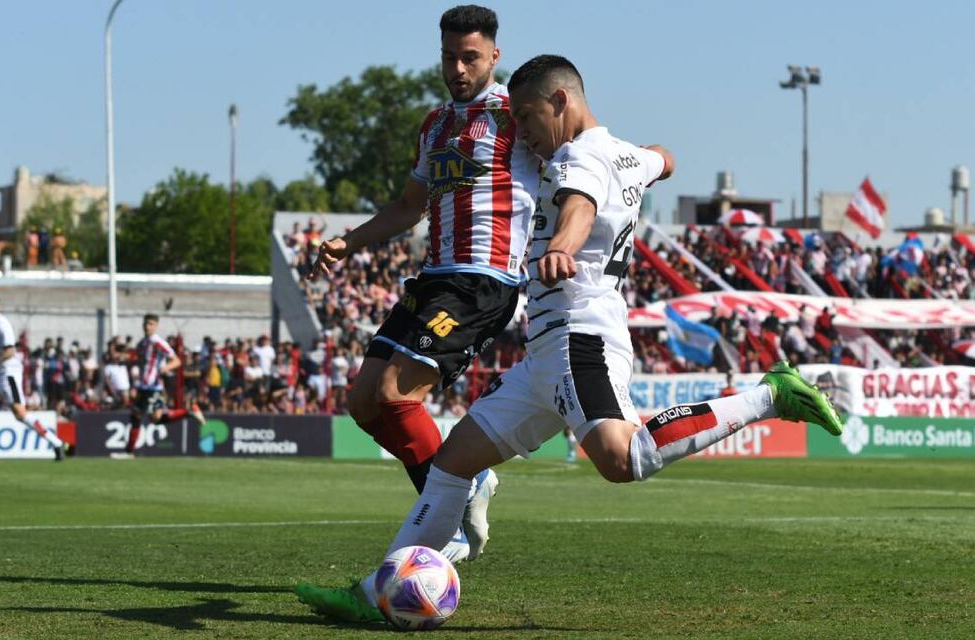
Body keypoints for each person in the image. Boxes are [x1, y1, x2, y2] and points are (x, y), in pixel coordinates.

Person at [295, 54, 845, 623]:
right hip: (545, 351)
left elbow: (579, 206)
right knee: (453, 463)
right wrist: (649, 161)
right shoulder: (622, 153)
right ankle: (378, 595)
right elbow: (666, 159)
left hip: (580, 334)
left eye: (529, 119)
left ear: (561, 103)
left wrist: (562, 243)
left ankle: (771, 396)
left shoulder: (575, 157)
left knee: (622, 456)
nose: (525, 135)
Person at [307, 4, 537, 562]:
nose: (458, 69)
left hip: (483, 282)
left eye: (470, 57)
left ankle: (448, 519)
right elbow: (409, 206)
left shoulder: (516, 114)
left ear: (494, 57)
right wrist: (350, 241)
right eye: (449, 57)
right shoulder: (435, 124)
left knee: (395, 392)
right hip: (432, 278)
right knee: (363, 403)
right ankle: (469, 482)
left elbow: (578, 155)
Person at [111, 314, 206, 459]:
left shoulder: (158, 342)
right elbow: (139, 360)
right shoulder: (142, 343)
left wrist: (165, 368)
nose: (147, 326)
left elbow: (177, 361)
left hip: (154, 387)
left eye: (150, 324)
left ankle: (129, 452)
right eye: (145, 323)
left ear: (156, 326)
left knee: (148, 417)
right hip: (144, 387)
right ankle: (129, 452)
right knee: (143, 417)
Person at [0, 294, 71, 460]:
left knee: (20, 413)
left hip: (7, 373)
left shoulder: (1, 324)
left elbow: (10, 351)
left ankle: (56, 442)